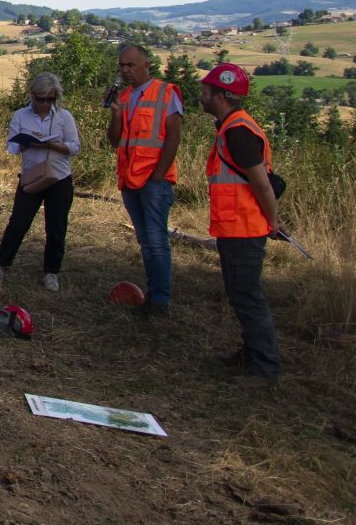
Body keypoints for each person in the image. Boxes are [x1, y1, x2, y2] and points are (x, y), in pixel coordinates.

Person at [198, 63, 281, 386]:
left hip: (244, 228)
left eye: (206, 92)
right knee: (240, 293)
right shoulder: (232, 126)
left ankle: (264, 367)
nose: (201, 97)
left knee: (248, 296)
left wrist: (272, 220)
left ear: (221, 96)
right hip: (236, 227)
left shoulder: (237, 132)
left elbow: (261, 184)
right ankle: (251, 354)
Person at [0, 73, 80, 289]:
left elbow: (74, 147)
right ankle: (0, 264)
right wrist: (24, 144)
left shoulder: (64, 117)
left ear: (56, 97)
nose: (44, 104)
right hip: (31, 177)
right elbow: (11, 147)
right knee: (19, 222)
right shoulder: (20, 116)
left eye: (49, 99)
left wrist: (53, 145)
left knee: (56, 226)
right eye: (40, 99)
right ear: (32, 95)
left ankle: (51, 272)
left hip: (59, 177)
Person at [107, 43, 183, 314]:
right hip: (130, 179)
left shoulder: (166, 93)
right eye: (122, 65)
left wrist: (158, 176)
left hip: (154, 181)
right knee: (146, 241)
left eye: (131, 65)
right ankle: (154, 296)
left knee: (156, 241)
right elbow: (114, 140)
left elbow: (173, 137)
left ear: (146, 65)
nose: (125, 70)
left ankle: (159, 301)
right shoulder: (124, 98)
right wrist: (116, 114)